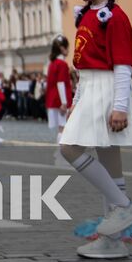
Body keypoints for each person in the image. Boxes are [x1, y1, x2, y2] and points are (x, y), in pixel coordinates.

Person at [58, 0, 132, 260]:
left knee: (69, 148)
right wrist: (76, 102)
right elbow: (82, 66)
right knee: (110, 163)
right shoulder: (86, 16)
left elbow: (123, 65)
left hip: (107, 89)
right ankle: (113, 240)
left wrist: (119, 106)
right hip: (90, 87)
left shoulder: (115, 17)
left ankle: (123, 206)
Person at [43, 36, 71, 167]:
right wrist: (64, 102)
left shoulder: (52, 64)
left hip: (53, 99)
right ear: (62, 48)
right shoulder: (62, 64)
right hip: (60, 100)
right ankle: (61, 156)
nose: (68, 50)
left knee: (61, 129)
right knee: (63, 129)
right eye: (67, 47)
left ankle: (58, 153)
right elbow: (61, 83)